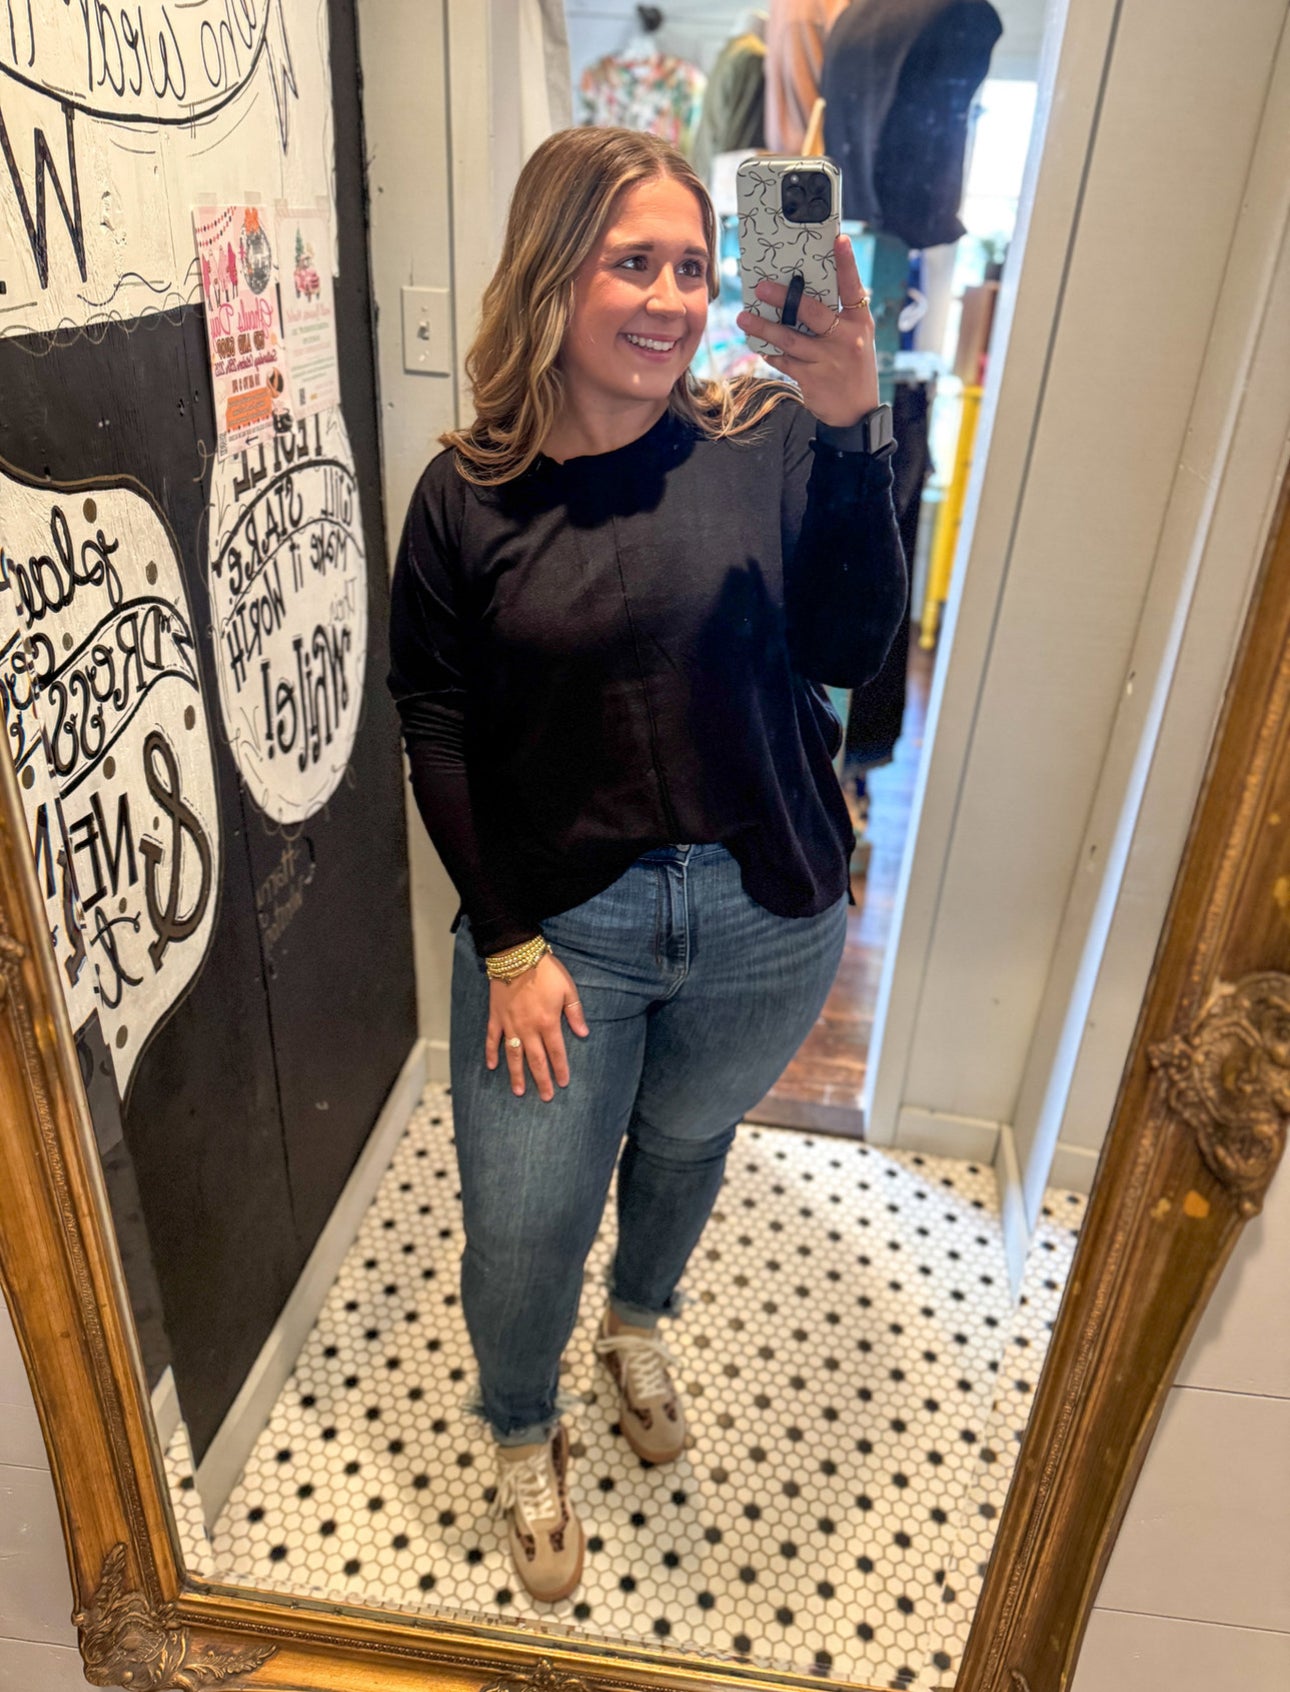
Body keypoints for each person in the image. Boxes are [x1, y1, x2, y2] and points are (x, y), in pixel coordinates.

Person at [387, 126, 905, 1603]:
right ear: (552, 277)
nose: (672, 298)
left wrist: (860, 416)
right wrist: (502, 944)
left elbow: (854, 653)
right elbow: (428, 718)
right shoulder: (465, 496)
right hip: (562, 930)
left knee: (683, 1150)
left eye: (692, 263)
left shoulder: (766, 436)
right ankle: (519, 1423)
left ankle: (639, 1326)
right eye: (634, 262)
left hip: (763, 914)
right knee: (525, 1216)